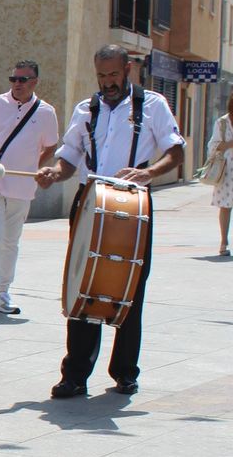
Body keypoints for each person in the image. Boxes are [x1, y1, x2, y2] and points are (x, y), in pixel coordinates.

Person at [38, 45, 185, 398]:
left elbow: (176, 151)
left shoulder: (153, 106)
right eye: (102, 76)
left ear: (128, 69)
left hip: (134, 204)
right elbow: (69, 160)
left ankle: (124, 371)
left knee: (130, 286)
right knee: (83, 284)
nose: (107, 83)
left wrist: (149, 172)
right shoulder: (85, 110)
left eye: (113, 75)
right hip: (90, 201)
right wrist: (53, 174)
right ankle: (75, 374)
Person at [0, 60, 60, 317]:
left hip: (23, 185)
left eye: (23, 79)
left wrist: (36, 167)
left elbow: (51, 146)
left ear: (35, 82)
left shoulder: (46, 112)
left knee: (11, 241)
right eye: (14, 79)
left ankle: (3, 291)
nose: (17, 84)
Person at [208, 91, 233, 256]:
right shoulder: (222, 122)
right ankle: (224, 241)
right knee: (225, 206)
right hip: (227, 170)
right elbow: (213, 146)